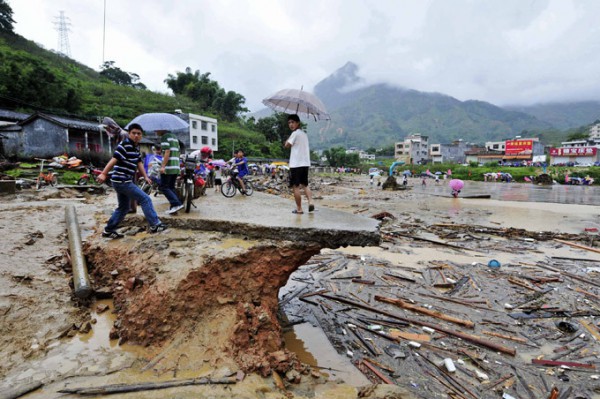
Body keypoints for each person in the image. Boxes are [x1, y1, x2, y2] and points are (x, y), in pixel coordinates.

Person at [97, 123, 167, 238]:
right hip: (122, 180)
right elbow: (114, 159)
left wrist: (145, 176)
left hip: (122, 181)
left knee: (124, 207)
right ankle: (155, 225)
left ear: (141, 135)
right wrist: (104, 173)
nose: (136, 135)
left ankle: (108, 230)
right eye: (133, 133)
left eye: (138, 134)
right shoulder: (124, 145)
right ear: (129, 134)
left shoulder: (135, 147)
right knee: (145, 199)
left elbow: (139, 162)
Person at [284, 114, 314, 214]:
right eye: (289, 123)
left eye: (293, 122)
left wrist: (288, 138)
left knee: (295, 186)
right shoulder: (304, 134)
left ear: (298, 123)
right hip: (305, 163)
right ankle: (310, 201)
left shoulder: (295, 134)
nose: (290, 124)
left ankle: (299, 209)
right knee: (305, 184)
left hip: (296, 164)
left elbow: (287, 145)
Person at [157, 130, 184, 214]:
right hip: (176, 166)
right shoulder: (175, 137)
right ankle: (174, 208)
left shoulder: (165, 137)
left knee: (163, 187)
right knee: (171, 187)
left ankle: (176, 204)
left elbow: (167, 152)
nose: (155, 131)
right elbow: (178, 151)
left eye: (156, 129)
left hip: (169, 167)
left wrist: (163, 166)